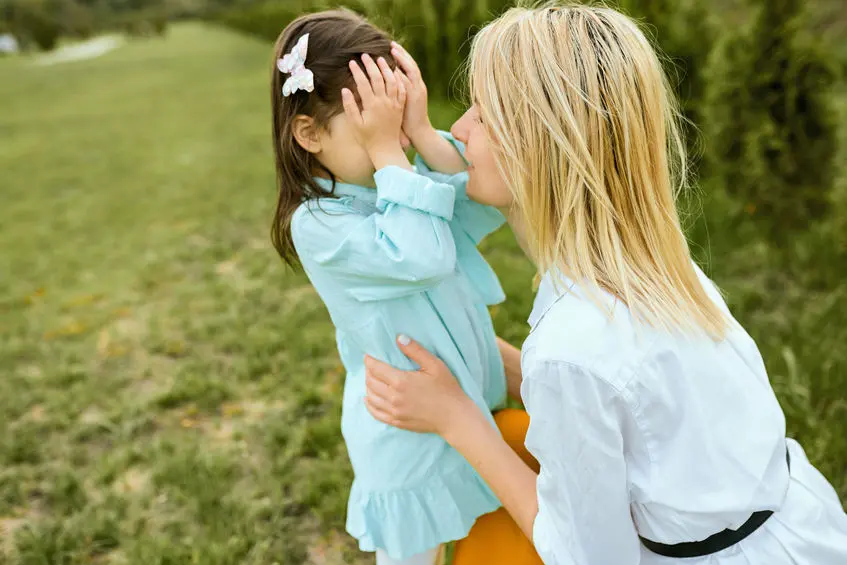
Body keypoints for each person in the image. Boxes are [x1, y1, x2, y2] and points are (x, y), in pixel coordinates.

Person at [363, 4, 847, 565]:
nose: (462, 128)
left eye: (483, 114)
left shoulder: (571, 348)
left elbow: (588, 556)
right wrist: (492, 359)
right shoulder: (661, 272)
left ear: (540, 146)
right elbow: (632, 406)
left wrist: (458, 419)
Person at [269, 9, 542, 565]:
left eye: (393, 120)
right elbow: (425, 255)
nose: (387, 142)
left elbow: (472, 194)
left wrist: (416, 132)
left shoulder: (388, 183)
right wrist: (395, 156)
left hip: (465, 411)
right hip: (409, 440)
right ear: (310, 133)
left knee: (477, 539)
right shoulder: (321, 224)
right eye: (369, 127)